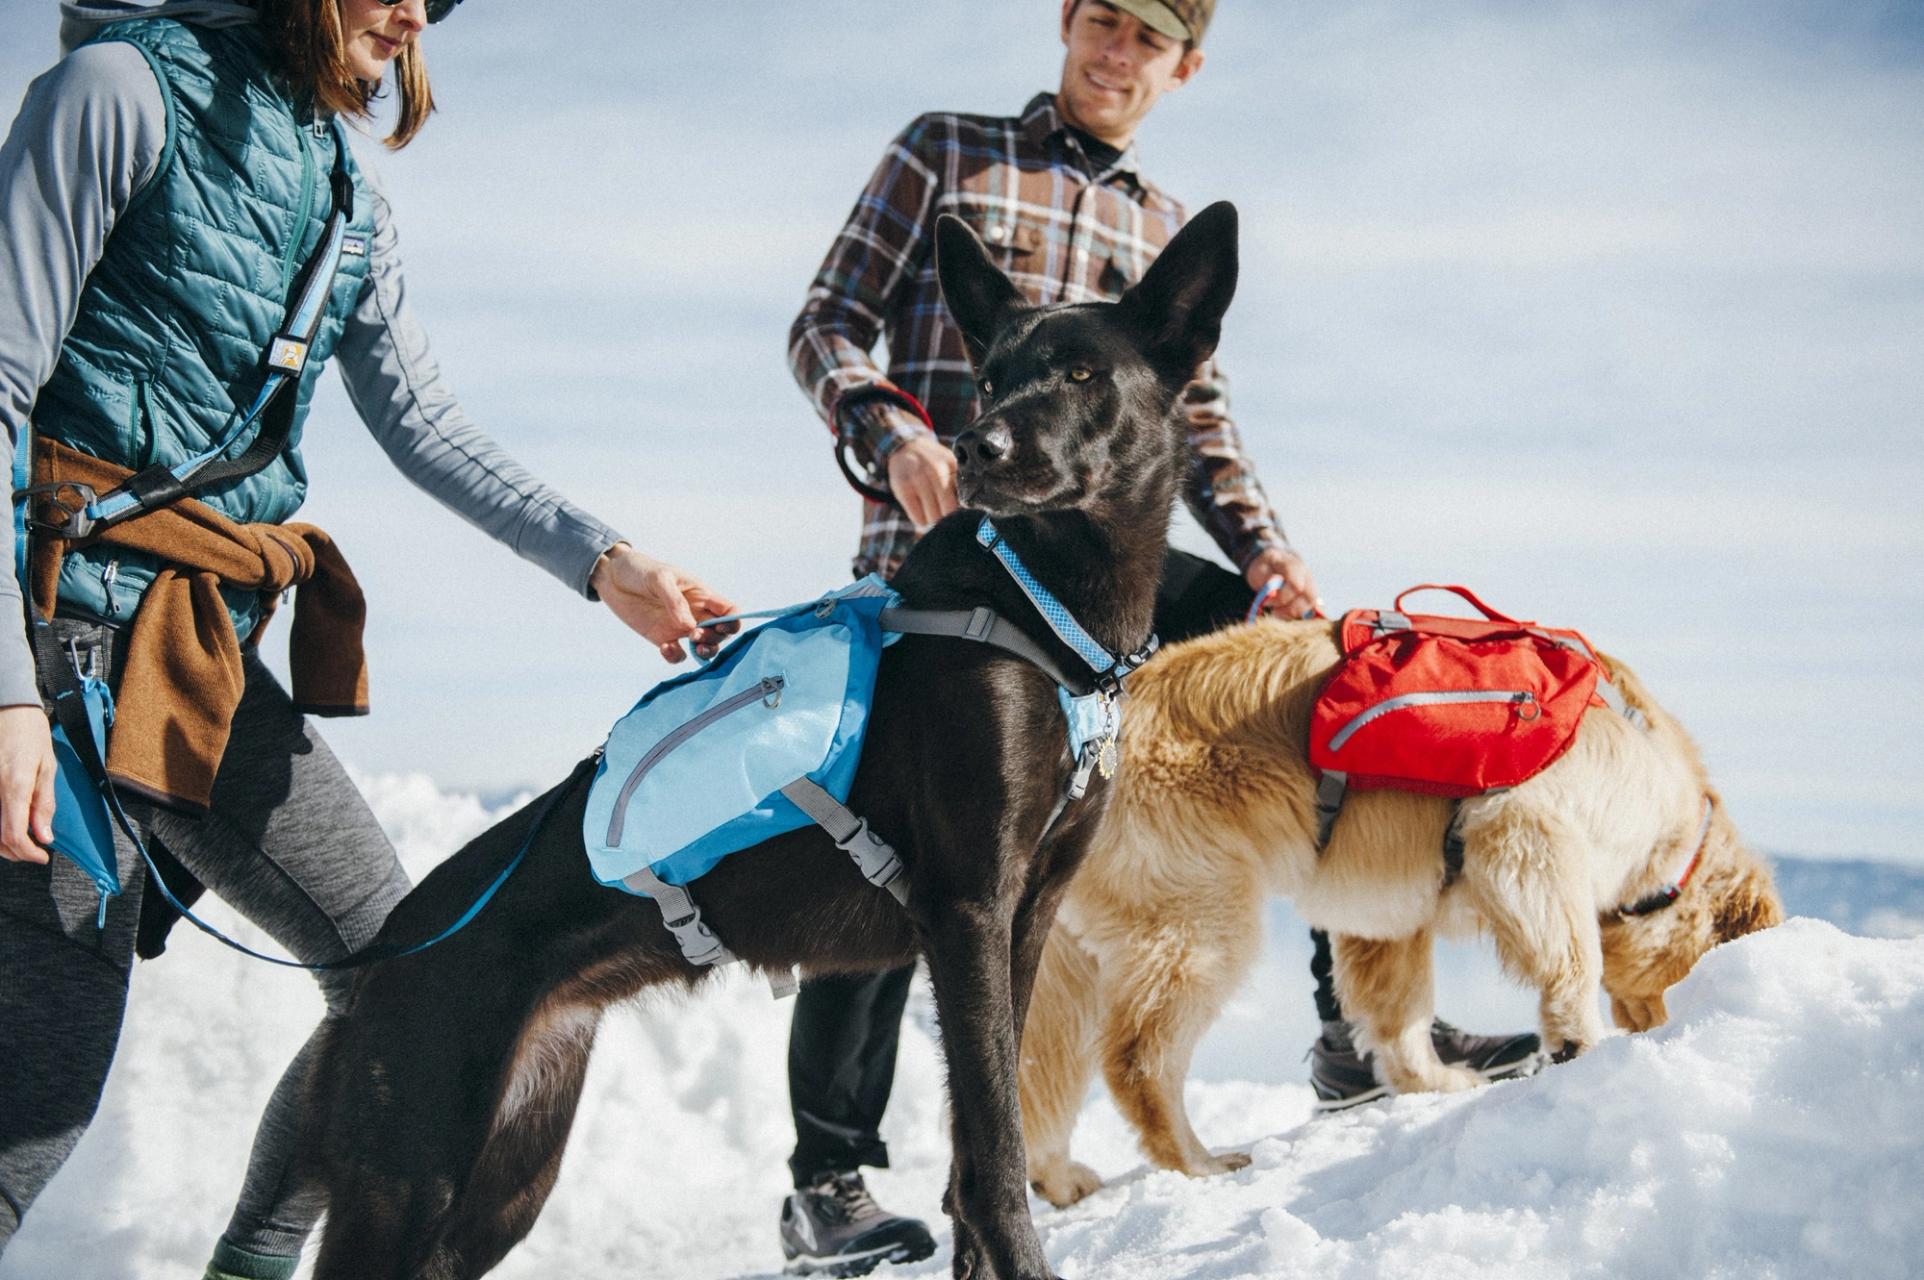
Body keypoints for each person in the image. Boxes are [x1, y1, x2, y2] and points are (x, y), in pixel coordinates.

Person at [784, 1, 1542, 1270]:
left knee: (1310, 673)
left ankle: (1355, 1027)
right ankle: (829, 1178)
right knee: (901, 860)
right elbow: (823, 322)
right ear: (1066, 21)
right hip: (954, 568)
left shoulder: (1161, 227)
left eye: (1145, 36)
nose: (1114, 51)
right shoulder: (945, 153)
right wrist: (894, 432)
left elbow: (1202, 428)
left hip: (1104, 585)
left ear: (1183, 66)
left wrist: (1265, 556)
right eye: (1100, 19)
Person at [0, 3, 734, 1278]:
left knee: (409, 973)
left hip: (196, 653)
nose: (411, 12)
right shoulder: (114, 93)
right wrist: (7, 695)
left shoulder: (347, 197)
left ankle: (254, 1262)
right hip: (54, 642)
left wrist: (605, 561)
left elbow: (426, 422)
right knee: (39, 1089)